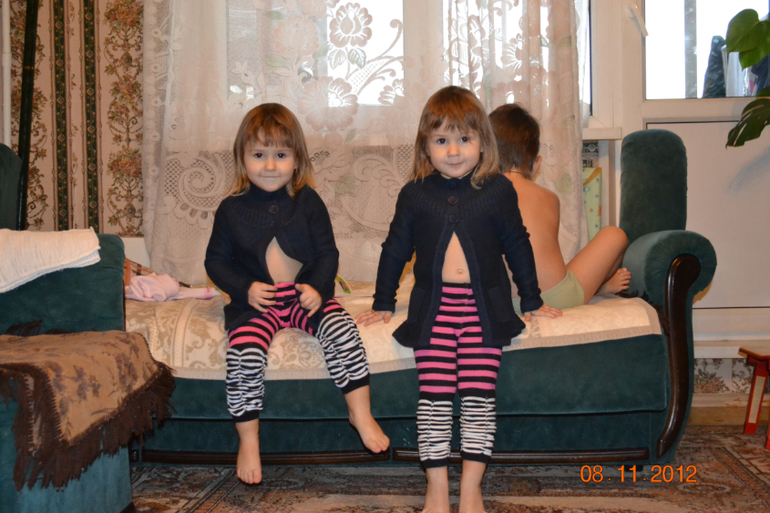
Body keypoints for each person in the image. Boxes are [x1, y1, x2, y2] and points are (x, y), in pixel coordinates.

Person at [356, 86, 561, 513]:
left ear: (483, 141)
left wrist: (532, 299)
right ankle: (435, 487)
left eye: (464, 139)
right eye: (441, 140)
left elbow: (517, 245)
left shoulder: (498, 190)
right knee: (433, 400)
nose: (453, 151)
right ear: (425, 146)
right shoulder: (415, 194)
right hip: (432, 313)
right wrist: (382, 301)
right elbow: (395, 249)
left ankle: (470, 487)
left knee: (478, 399)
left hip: (485, 312)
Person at [205, 103, 389, 485]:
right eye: (259, 155)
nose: (270, 166)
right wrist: (245, 288)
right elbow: (215, 262)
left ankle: (360, 411)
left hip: (305, 297)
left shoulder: (308, 201)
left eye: (281, 155)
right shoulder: (230, 209)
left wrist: (318, 288)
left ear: (297, 159)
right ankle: (248, 438)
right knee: (244, 355)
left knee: (343, 331)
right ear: (242, 158)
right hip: (258, 305)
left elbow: (327, 254)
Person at [489, 103, 631, 313]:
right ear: (536, 164)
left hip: (499, 302)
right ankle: (598, 287)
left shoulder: (479, 198)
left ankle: (595, 288)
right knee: (615, 235)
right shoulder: (548, 198)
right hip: (555, 298)